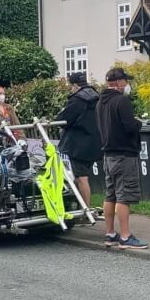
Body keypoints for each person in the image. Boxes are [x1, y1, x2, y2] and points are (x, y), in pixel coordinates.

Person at [96, 68, 147, 250]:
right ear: (118, 83)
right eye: (125, 81)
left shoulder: (100, 102)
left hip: (108, 154)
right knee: (124, 195)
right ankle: (125, 236)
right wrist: (138, 122)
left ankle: (110, 233)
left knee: (110, 194)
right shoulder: (121, 101)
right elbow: (130, 126)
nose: (127, 85)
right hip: (124, 154)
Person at [56, 72, 101, 208]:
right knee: (82, 176)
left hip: (78, 145)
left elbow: (64, 119)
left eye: (71, 86)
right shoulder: (97, 97)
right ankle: (82, 206)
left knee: (81, 178)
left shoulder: (78, 100)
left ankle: (85, 210)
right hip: (95, 143)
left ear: (75, 85)